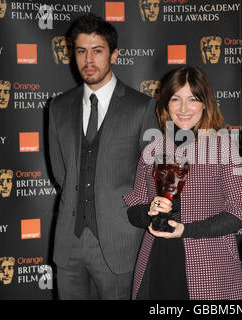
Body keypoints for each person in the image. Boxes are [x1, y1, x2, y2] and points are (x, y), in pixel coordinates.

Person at [48, 13, 158, 300]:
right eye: (81, 51)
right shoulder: (58, 107)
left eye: (97, 51)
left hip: (120, 242)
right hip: (68, 243)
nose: (88, 60)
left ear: (114, 55)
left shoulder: (142, 107)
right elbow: (61, 172)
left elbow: (152, 176)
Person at [123, 65, 242, 300]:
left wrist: (187, 230)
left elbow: (241, 211)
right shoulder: (153, 149)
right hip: (157, 262)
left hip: (209, 267)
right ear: (165, 105)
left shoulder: (223, 147)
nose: (183, 109)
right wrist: (149, 212)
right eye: (175, 99)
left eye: (192, 99)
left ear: (205, 104)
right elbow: (134, 208)